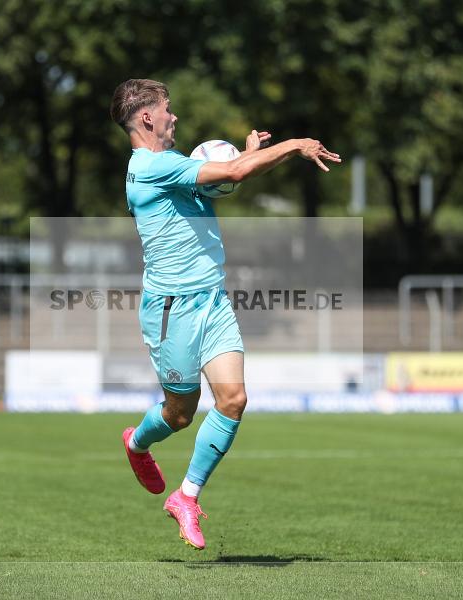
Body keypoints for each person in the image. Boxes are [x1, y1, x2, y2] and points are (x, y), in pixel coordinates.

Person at [110, 78, 340, 550]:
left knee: (233, 400)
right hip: (172, 310)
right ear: (147, 118)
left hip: (211, 300)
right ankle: (136, 442)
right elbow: (231, 178)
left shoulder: (166, 165)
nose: (174, 118)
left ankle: (186, 497)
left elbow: (224, 180)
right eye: (167, 110)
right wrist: (293, 145)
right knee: (180, 415)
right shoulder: (151, 167)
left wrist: (246, 155)